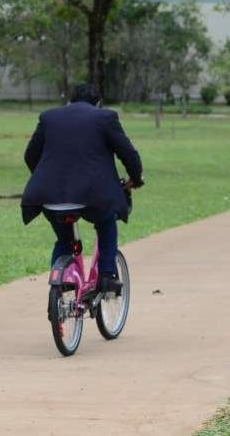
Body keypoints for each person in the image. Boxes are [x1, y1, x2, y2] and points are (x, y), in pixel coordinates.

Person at [20, 83, 143, 292]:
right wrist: (135, 179)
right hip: (92, 198)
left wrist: (49, 180)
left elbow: (30, 156)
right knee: (106, 222)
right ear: (98, 103)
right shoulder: (106, 117)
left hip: (50, 198)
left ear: (70, 101)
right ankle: (106, 275)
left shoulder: (49, 117)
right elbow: (128, 154)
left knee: (64, 240)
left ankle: (59, 289)